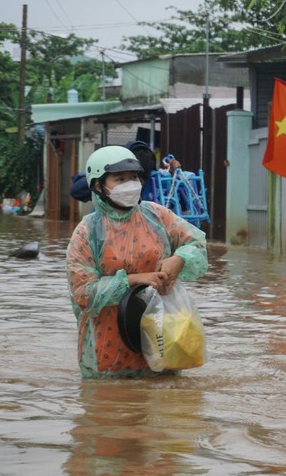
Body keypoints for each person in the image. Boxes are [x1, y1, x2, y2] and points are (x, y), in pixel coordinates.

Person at [66, 146, 208, 379]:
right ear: (99, 186)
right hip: (108, 352)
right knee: (112, 408)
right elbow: (83, 293)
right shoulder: (88, 231)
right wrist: (132, 281)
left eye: (133, 177)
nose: (129, 184)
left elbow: (198, 244)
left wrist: (180, 258)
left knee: (168, 404)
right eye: (119, 179)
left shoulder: (156, 215)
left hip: (164, 341)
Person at [70, 141, 158, 203]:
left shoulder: (156, 183)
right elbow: (76, 191)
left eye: (134, 177)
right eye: (121, 179)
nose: (133, 185)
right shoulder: (91, 224)